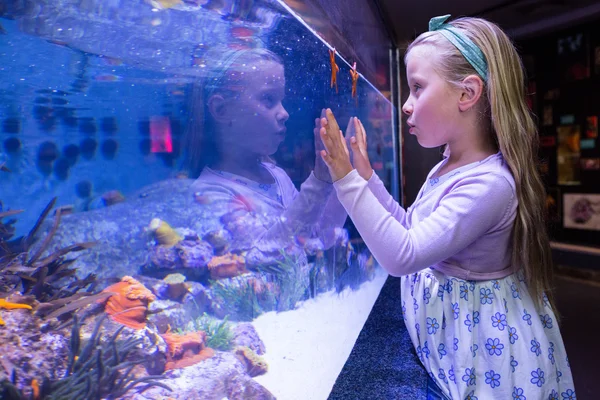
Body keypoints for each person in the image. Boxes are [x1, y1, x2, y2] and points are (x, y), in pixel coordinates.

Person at [317, 15, 575, 399]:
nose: (405, 105)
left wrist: (347, 181)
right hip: (452, 341)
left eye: (417, 88)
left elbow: (403, 255)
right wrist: (368, 177)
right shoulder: (448, 166)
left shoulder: (490, 185)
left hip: (487, 353)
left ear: (467, 94)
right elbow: (410, 226)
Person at [185, 47, 347, 267]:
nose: (284, 113)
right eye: (268, 99)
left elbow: (313, 236)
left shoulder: (277, 175)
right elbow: (262, 261)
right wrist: (319, 181)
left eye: (281, 100)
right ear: (222, 109)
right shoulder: (209, 193)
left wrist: (343, 176)